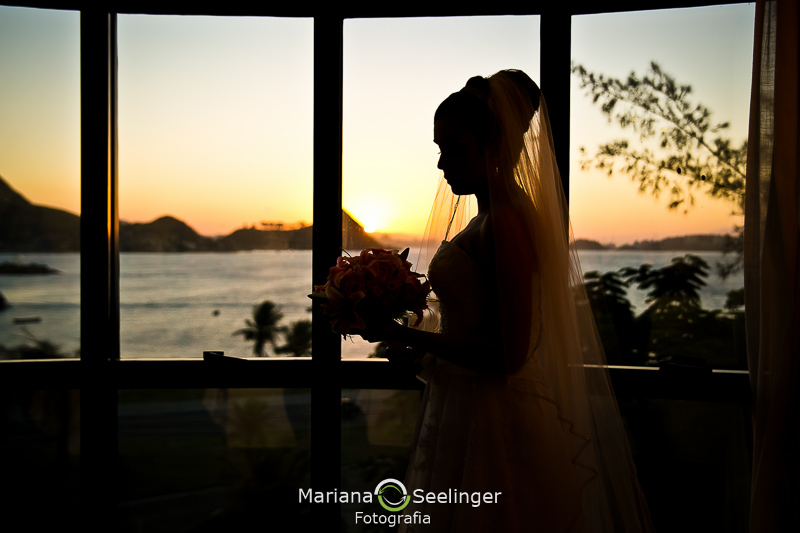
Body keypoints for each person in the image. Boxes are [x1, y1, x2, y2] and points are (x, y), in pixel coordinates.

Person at [357, 70, 653, 532]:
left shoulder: (507, 223)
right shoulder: (488, 218)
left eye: (454, 148)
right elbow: (476, 328)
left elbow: (509, 355)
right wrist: (419, 349)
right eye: (439, 149)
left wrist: (401, 332)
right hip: (465, 407)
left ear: (493, 146)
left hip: (494, 420)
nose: (441, 164)